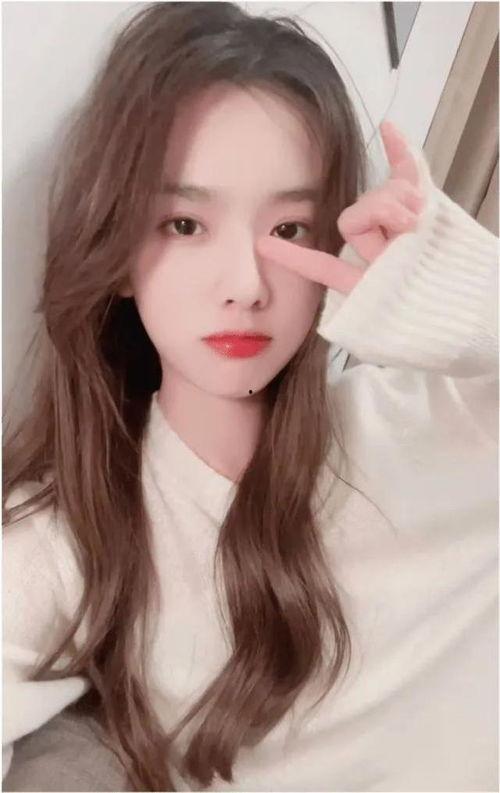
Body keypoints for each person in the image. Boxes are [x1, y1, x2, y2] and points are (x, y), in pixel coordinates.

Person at [2, 2, 498, 792]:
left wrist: (481, 302)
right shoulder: (76, 536)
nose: (246, 284)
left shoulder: (439, 430)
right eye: (185, 224)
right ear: (116, 250)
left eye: (291, 230)